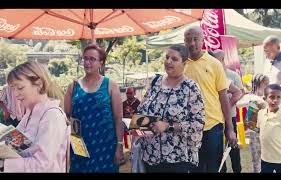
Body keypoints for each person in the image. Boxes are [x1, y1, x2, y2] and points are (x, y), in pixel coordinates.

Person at [137, 44, 205, 173]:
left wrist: (168, 126)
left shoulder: (190, 88)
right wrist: (136, 124)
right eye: (167, 57)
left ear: (184, 63)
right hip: (150, 157)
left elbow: (198, 124)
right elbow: (142, 109)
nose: (168, 61)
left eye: (174, 59)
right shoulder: (155, 82)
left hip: (178, 160)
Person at [184, 26, 237, 173]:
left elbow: (223, 97)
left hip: (213, 126)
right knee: (196, 168)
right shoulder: (181, 64)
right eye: (188, 40)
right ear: (184, 42)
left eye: (195, 39)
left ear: (203, 40)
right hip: (190, 128)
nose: (192, 43)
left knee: (215, 168)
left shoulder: (214, 64)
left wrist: (230, 129)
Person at [0, 61, 70, 172]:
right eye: (13, 89)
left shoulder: (52, 116)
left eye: (20, 88)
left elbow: (41, 164)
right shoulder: (29, 114)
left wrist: (4, 165)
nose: (15, 94)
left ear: (39, 84)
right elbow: (20, 146)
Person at [64, 44, 124, 173]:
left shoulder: (110, 86)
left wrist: (119, 146)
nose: (87, 62)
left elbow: (118, 119)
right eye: (85, 58)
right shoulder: (73, 87)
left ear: (101, 63)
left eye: (92, 59)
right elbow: (67, 117)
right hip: (79, 145)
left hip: (105, 145)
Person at [209, 49, 243, 173]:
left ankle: (237, 169)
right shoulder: (210, 73)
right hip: (215, 119)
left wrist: (226, 106)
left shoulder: (232, 75)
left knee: (233, 147)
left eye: (219, 59)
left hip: (230, 117)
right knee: (219, 150)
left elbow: (240, 92)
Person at [236, 74, 269, 173]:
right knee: (256, 158)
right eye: (265, 84)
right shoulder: (250, 96)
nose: (267, 85)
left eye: (268, 83)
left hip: (267, 130)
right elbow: (238, 104)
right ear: (258, 84)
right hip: (254, 131)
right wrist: (254, 101)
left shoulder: (269, 96)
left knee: (267, 157)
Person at [257, 84, 281, 173]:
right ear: (265, 98)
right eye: (272, 97)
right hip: (265, 159)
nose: (275, 100)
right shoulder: (260, 113)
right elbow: (259, 130)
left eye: (278, 97)